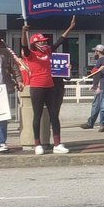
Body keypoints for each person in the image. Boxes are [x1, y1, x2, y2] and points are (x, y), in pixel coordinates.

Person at [21, 16, 75, 155]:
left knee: (54, 115)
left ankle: (57, 144)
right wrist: (23, 32)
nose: (44, 44)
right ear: (35, 44)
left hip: (50, 86)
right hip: (37, 87)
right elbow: (24, 46)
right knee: (37, 115)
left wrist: (70, 28)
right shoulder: (30, 54)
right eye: (41, 42)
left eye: (45, 42)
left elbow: (59, 41)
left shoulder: (48, 52)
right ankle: (37, 144)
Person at [82, 44, 104, 130]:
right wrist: (93, 85)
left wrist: (98, 86)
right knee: (102, 106)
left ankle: (96, 123)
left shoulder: (103, 60)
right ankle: (92, 122)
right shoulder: (102, 60)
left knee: (100, 106)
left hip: (101, 87)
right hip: (99, 86)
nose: (94, 53)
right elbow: (97, 75)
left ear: (98, 52)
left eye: (95, 51)